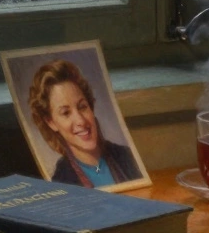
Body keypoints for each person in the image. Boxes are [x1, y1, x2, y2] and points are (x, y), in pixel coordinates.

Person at [28, 59, 142, 188]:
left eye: (82, 107)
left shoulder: (126, 156)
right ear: (51, 122)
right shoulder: (62, 181)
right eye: (66, 113)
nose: (80, 121)